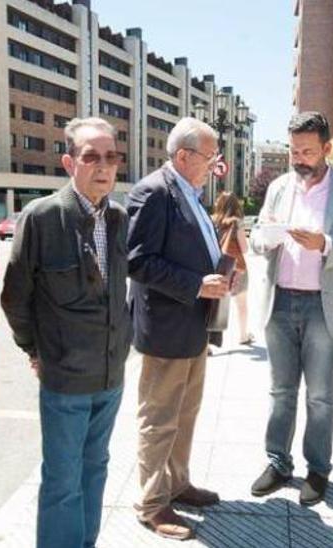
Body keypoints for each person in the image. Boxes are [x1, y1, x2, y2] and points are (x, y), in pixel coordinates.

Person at [0, 117, 132, 548]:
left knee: (96, 469)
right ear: (68, 162)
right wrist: (33, 349)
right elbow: (15, 297)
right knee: (62, 480)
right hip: (65, 380)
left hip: (111, 376)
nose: (104, 166)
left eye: (111, 157)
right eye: (91, 156)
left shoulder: (118, 216)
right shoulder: (43, 217)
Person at [248, 112, 333, 506]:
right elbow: (257, 235)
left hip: (326, 307)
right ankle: (278, 461)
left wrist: (325, 244)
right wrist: (263, 240)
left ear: (327, 148)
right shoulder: (278, 187)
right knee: (281, 390)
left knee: (320, 395)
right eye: (293, 150)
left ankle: (318, 469)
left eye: (307, 150)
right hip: (281, 300)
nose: (299, 158)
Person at [126, 117, 226, 540]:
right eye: (209, 156)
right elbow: (137, 260)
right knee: (160, 417)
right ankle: (151, 502)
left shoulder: (192, 193)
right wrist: (196, 284)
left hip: (193, 324)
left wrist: (218, 274)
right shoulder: (153, 192)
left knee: (186, 413)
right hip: (168, 328)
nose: (214, 164)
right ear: (183, 156)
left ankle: (177, 483)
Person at [212, 191, 254, 345]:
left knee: (212, 305)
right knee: (241, 304)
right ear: (236, 205)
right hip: (237, 268)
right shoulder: (237, 222)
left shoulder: (213, 221)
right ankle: (243, 336)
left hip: (218, 267)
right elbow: (244, 248)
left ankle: (206, 343)